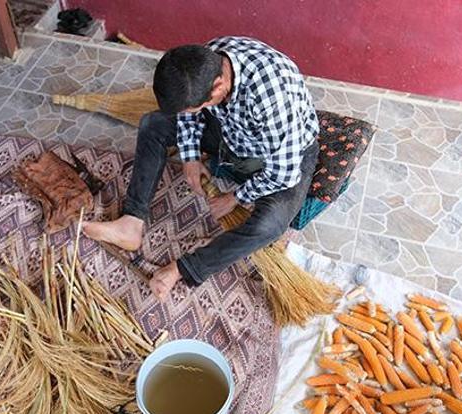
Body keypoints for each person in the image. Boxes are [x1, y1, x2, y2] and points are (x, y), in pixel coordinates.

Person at [83, 36, 319, 300]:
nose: (193, 110)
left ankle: (185, 268)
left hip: (280, 154)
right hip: (232, 133)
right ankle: (131, 222)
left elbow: (283, 173)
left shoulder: (272, 97)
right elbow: (189, 114)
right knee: (153, 124)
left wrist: (234, 198)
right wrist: (190, 157)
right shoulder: (206, 57)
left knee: (269, 226)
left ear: (219, 86)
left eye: (200, 105)